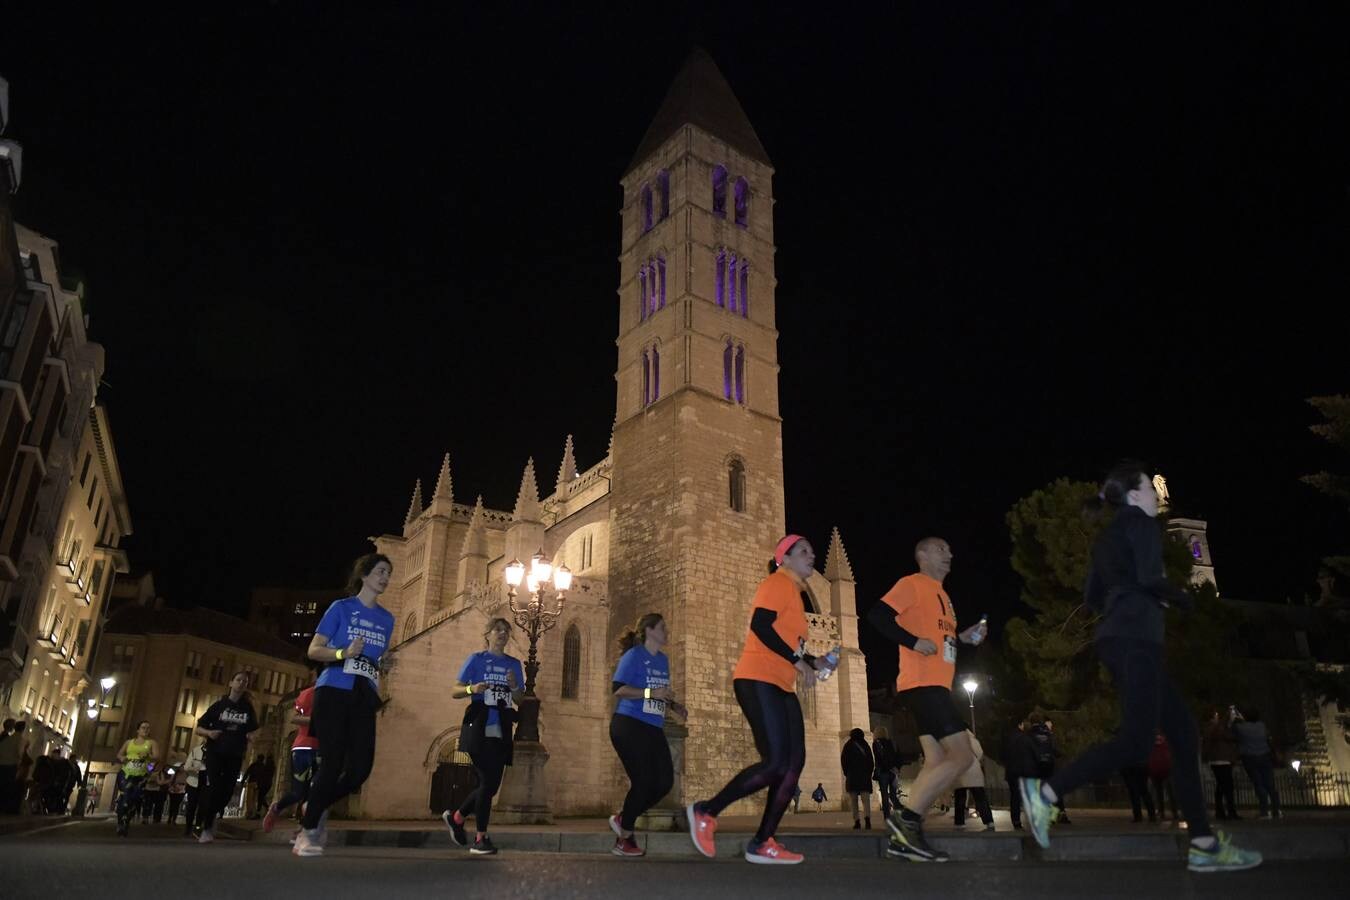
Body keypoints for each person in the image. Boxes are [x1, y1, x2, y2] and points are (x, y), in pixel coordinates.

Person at [1019, 461, 1262, 872]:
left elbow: (1093, 596)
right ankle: (1046, 794)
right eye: (1150, 487)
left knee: (1184, 734)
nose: (1156, 494)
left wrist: (1129, 601)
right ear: (1134, 495)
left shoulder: (1107, 538)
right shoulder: (1142, 526)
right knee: (1135, 742)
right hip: (1137, 641)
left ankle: (1202, 842)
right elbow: (1151, 578)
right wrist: (1181, 598)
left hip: (1120, 640)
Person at [685, 535, 837, 865]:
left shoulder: (796, 597)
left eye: (812, 551)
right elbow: (761, 626)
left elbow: (790, 645)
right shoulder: (778, 582)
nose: (812, 556)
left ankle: (763, 841)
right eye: (804, 551)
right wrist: (799, 662)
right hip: (757, 679)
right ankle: (706, 812)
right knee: (775, 763)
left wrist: (813, 661)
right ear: (784, 558)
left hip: (781, 685)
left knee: (793, 765)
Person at [867, 536, 987, 862]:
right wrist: (912, 641)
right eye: (941, 549)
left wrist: (963, 637)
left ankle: (904, 836)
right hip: (923, 685)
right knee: (962, 756)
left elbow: (941, 641)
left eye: (950, 549)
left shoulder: (944, 597)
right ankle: (906, 823)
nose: (950, 554)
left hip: (936, 686)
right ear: (922, 555)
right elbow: (877, 616)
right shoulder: (913, 584)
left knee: (936, 761)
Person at [295, 553, 396, 858]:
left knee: (360, 769)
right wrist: (343, 653)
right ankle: (308, 833)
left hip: (363, 695)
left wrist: (384, 662)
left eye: (388, 574)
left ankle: (313, 803)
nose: (385, 578)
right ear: (364, 575)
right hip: (333, 690)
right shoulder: (341, 608)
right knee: (333, 762)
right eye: (380, 571)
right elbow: (314, 650)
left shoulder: (387, 618)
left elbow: (376, 658)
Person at [442, 617, 525, 856]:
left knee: (490, 786)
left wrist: (514, 686)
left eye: (506, 631)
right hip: (479, 725)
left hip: (502, 728)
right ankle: (480, 838)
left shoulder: (514, 664)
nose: (502, 634)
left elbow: (519, 700)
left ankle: (457, 817)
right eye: (497, 630)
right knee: (487, 782)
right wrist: (473, 688)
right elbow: (455, 690)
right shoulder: (476, 660)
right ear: (487, 635)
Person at [607, 612, 688, 857]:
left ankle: (624, 819)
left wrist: (674, 705)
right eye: (663, 627)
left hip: (653, 726)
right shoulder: (634, 656)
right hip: (628, 724)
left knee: (664, 782)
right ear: (650, 631)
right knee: (643, 781)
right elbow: (618, 689)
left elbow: (660, 692)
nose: (667, 631)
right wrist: (649, 694)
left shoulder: (663, 660)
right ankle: (625, 839)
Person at [195, 671, 260, 843]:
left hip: (236, 753)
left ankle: (212, 814)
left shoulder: (247, 708)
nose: (241, 683)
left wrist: (251, 736)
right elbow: (199, 727)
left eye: (244, 682)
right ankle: (206, 827)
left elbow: (253, 729)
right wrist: (209, 733)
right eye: (238, 680)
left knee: (228, 790)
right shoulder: (219, 706)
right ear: (231, 683)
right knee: (213, 787)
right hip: (216, 752)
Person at [264, 666, 321, 835]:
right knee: (298, 793)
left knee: (316, 788)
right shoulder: (309, 694)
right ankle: (277, 808)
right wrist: (317, 720)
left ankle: (303, 827)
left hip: (322, 748)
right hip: (303, 746)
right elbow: (295, 718)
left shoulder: (337, 697)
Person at [1231, 707, 1281, 819]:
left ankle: (1264, 810)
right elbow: (1269, 739)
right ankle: (1276, 810)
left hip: (1249, 757)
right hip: (1264, 755)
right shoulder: (1261, 726)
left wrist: (1235, 718)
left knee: (1258, 783)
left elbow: (1232, 729)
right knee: (1269, 784)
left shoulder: (1241, 728)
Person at [114, 721, 159, 837]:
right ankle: (120, 822)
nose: (146, 730)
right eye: (143, 727)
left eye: (148, 728)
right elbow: (119, 754)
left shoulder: (151, 743)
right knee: (126, 795)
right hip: (126, 773)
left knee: (134, 799)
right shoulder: (129, 742)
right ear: (138, 730)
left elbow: (156, 757)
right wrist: (123, 758)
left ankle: (126, 822)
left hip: (140, 775)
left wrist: (148, 756)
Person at [949, 727, 993, 831]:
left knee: (960, 797)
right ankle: (988, 821)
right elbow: (979, 752)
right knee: (980, 797)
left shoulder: (952, 740)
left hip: (960, 769)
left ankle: (959, 823)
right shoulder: (970, 738)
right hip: (973, 769)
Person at [1028, 714, 1070, 824]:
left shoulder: (1030, 734)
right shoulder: (1047, 733)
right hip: (1050, 765)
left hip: (1038, 767)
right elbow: (1055, 748)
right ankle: (1060, 813)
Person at [1202, 709, 1240, 820]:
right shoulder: (1215, 728)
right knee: (1227, 786)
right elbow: (1226, 736)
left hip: (1217, 760)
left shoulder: (1209, 729)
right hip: (1221, 760)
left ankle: (1221, 811)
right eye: (1216, 716)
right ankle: (1229, 811)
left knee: (1221, 786)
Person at [1003, 720, 1038, 830]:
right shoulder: (1027, 738)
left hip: (1012, 773)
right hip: (1026, 772)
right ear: (1020, 725)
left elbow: (1003, 755)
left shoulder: (1008, 739)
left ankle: (1016, 821)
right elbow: (1035, 754)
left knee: (1015, 798)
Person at [841, 728, 874, 830]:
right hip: (864, 776)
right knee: (866, 800)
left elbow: (844, 761)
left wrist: (847, 773)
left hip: (853, 777)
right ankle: (867, 820)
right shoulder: (865, 745)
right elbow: (870, 761)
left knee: (854, 801)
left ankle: (857, 821)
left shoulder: (848, 746)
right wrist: (868, 773)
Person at [872, 726, 903, 819]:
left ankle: (887, 816)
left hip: (883, 772)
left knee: (884, 794)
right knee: (893, 794)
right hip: (893, 771)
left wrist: (882, 768)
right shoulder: (893, 743)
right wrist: (897, 768)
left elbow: (878, 758)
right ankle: (901, 812)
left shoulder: (876, 743)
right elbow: (899, 757)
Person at [1147, 732, 1179, 822]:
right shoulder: (1160, 745)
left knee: (1168, 793)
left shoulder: (1164, 745)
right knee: (1162, 793)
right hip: (1158, 772)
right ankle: (1165, 812)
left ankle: (1171, 811)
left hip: (1165, 771)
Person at [182, 741, 207, 837]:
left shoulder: (215, 753)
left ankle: (197, 827)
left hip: (205, 784)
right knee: (191, 806)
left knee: (202, 807)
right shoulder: (195, 751)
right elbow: (186, 766)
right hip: (193, 782)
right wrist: (196, 769)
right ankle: (188, 827)